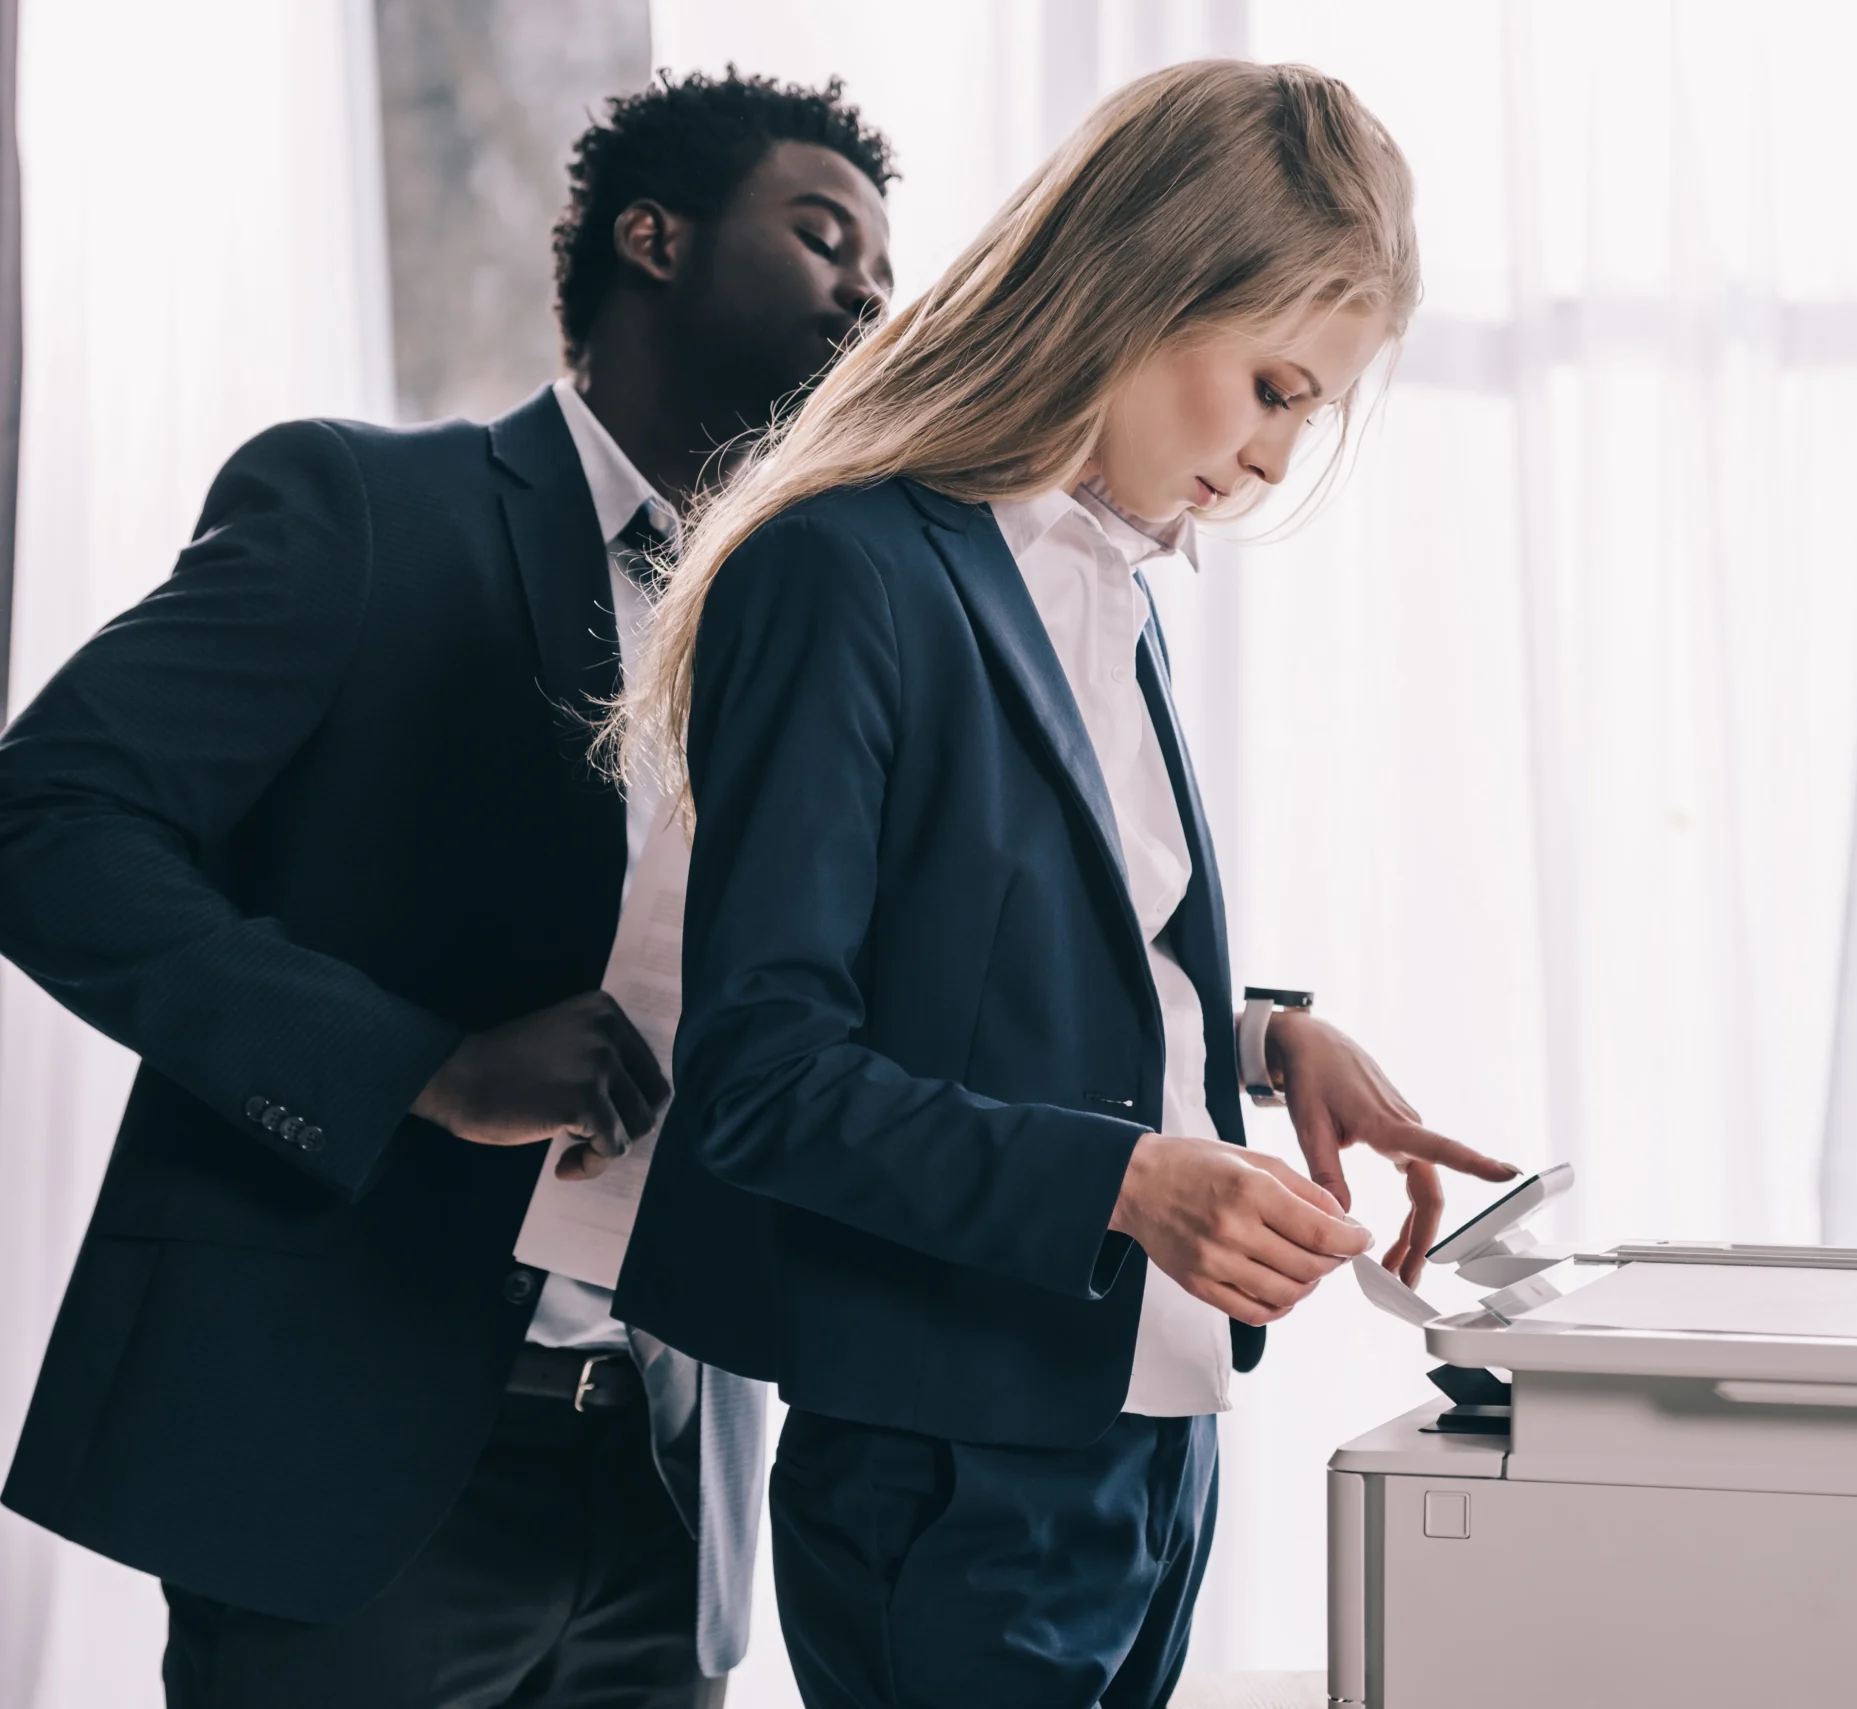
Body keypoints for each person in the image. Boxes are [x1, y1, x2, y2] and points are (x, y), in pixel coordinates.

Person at [607, 58, 1510, 1709]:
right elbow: (766, 1078)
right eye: (1275, 388)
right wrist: (1129, 1179)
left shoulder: (1110, 582)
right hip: (956, 1449)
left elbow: (994, 952)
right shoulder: (845, 570)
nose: (1278, 461)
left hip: (1148, 1435)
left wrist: (1255, 1042)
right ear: (1143, 288)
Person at [0, 69, 893, 1708]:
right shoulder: (365, 512)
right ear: (656, 237)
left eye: (885, 276)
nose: (868, 294)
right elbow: (48, 819)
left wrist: (1246, 1035)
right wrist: (419, 1062)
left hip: (664, 1488)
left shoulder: (801, 632)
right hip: (349, 1467)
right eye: (828, 238)